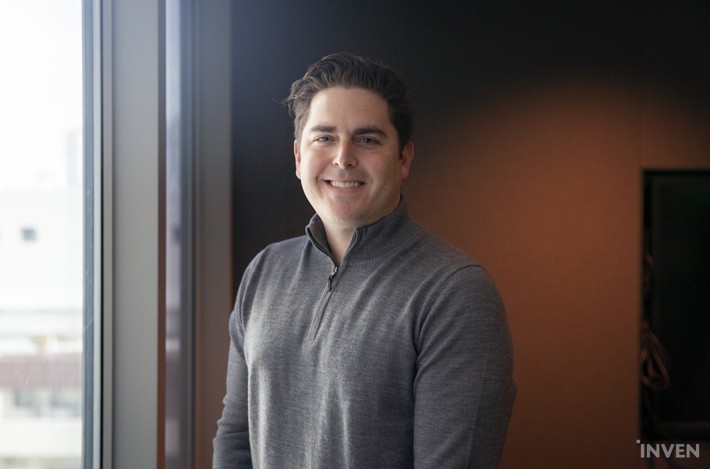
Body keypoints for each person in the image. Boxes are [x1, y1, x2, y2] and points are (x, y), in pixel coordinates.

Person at [213, 52, 516, 468]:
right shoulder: (265, 271)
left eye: (367, 140)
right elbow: (236, 439)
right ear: (299, 157)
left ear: (404, 158)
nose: (343, 158)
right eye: (324, 138)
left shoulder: (456, 293)